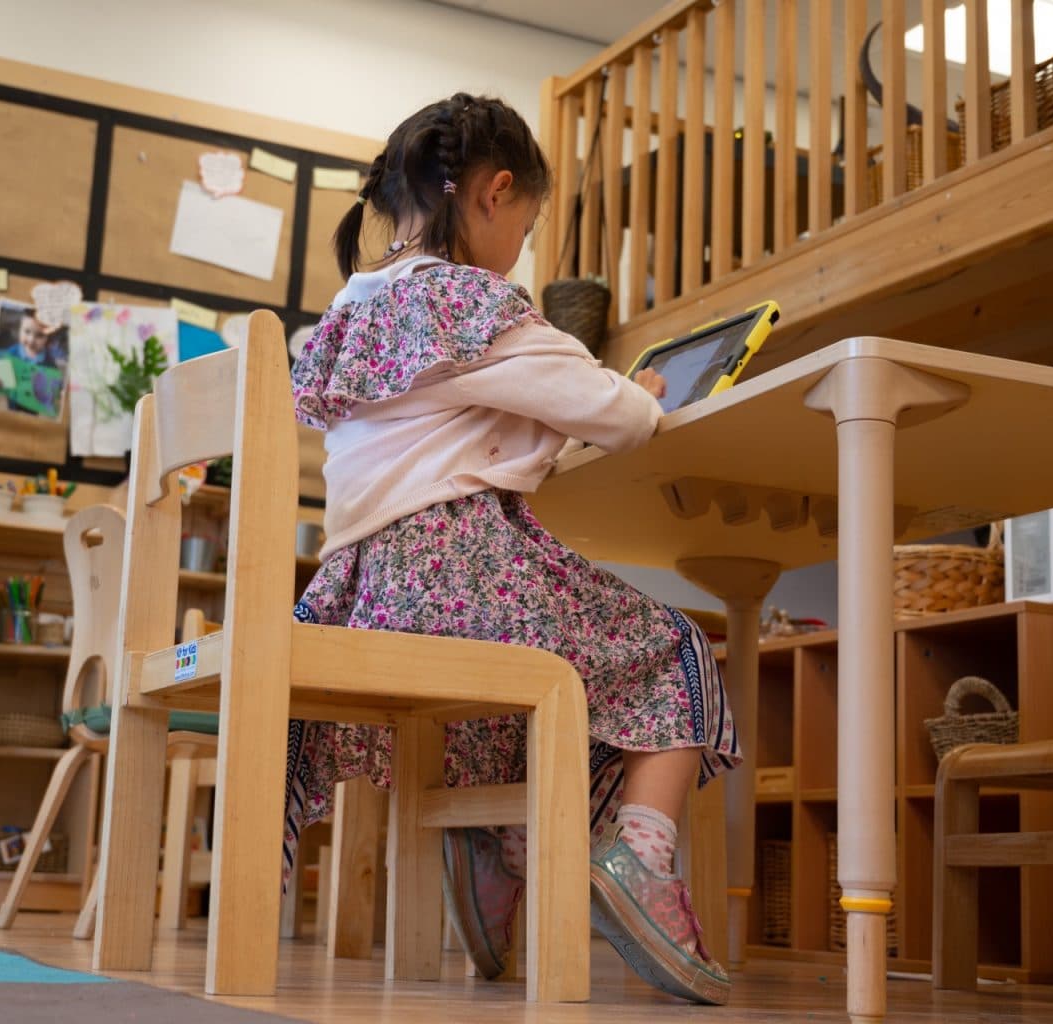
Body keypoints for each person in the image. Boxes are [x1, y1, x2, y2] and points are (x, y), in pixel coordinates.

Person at [287, 92, 740, 1006]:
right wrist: (639, 390)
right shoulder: (468, 300)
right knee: (674, 651)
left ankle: (503, 854)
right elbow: (614, 414)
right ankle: (641, 862)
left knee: (539, 672)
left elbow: (475, 427)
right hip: (456, 569)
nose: (520, 251)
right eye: (526, 227)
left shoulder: (352, 315)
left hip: (367, 591)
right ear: (494, 194)